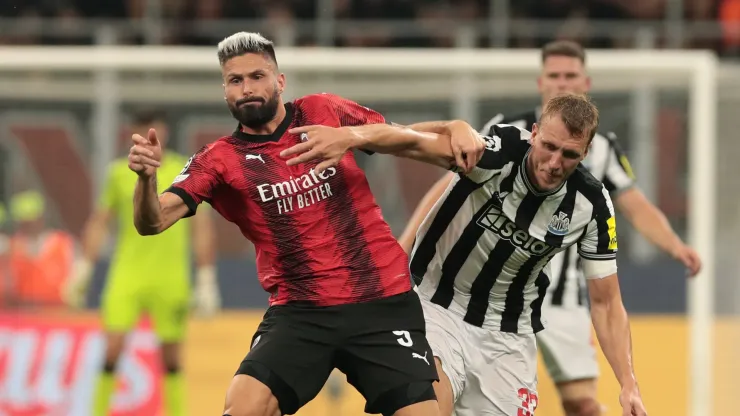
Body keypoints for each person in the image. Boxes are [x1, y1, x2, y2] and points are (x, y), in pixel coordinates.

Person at [126, 31, 486, 416]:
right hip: (301, 312)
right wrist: (146, 180)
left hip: (381, 301)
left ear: (279, 81)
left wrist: (451, 126)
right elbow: (153, 221)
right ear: (225, 91)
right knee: (244, 407)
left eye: (257, 76)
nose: (247, 88)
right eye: (236, 80)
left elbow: (406, 138)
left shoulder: (323, 111)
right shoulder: (218, 160)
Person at [398, 40, 700, 416]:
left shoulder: (602, 149)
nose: (563, 83)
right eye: (555, 76)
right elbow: (447, 187)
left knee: (582, 404)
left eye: (570, 76)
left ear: (585, 82)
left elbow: (634, 204)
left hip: (555, 299)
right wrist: (405, 241)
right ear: (541, 83)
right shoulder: (506, 133)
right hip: (459, 295)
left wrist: (674, 245)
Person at [63, 111, 220, 416]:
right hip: (127, 274)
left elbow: (201, 228)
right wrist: (83, 267)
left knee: (172, 358)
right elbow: (100, 222)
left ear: (165, 136)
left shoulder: (184, 171)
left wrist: (206, 277)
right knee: (112, 348)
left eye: (156, 135)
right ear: (132, 137)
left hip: (170, 276)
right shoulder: (118, 173)